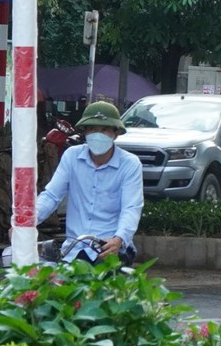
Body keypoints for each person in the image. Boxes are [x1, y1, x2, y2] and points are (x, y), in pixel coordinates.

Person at [34, 100, 144, 262]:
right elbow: (51, 195)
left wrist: (119, 239)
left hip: (110, 248)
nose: (97, 135)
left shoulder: (130, 164)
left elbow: (131, 207)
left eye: (104, 130)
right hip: (74, 249)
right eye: (92, 129)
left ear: (116, 133)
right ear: (84, 132)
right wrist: (26, 222)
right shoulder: (72, 156)